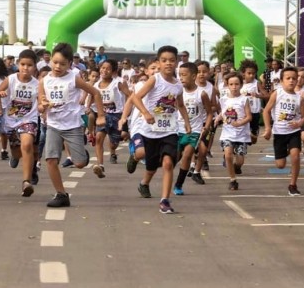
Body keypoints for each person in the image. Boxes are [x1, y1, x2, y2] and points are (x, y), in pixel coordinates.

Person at [120, 45, 190, 214]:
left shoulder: (178, 86)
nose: (168, 64)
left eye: (172, 60)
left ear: (177, 63)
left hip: (170, 131)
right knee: (151, 166)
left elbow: (180, 104)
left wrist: (187, 122)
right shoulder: (155, 79)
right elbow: (135, 97)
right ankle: (143, 181)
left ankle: (165, 200)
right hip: (150, 131)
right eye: (164, 60)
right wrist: (145, 113)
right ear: (159, 62)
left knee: (168, 163)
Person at [39, 43, 105, 208]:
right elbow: (40, 104)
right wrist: (44, 105)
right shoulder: (44, 81)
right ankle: (61, 194)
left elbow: (95, 92)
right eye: (55, 62)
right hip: (54, 125)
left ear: (70, 64)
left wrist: (101, 116)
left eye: (62, 63)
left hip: (73, 125)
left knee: (80, 164)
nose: (58, 66)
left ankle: (82, 155)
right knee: (51, 160)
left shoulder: (73, 79)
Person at [0, 49, 41, 196]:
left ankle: (26, 182)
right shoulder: (11, 79)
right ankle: (15, 157)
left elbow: (40, 102)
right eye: (23, 64)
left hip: (28, 119)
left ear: (35, 67)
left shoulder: (38, 84)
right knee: (17, 152)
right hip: (11, 120)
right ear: (18, 64)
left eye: (30, 65)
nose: (26, 68)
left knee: (27, 144)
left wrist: (43, 106)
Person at [263, 67, 304, 196]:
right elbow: (266, 111)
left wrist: (298, 123)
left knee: (295, 156)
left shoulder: (300, 98)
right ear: (282, 81)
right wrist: (268, 128)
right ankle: (285, 151)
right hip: (279, 133)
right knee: (280, 165)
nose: (292, 81)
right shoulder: (277, 93)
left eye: (294, 78)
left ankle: (293, 185)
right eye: (288, 78)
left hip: (293, 132)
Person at [173, 62, 212, 195]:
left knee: (188, 154)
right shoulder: (177, 91)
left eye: (184, 75)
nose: (181, 78)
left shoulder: (201, 94)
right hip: (177, 129)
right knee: (173, 158)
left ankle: (178, 184)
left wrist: (206, 127)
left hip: (194, 130)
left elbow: (210, 112)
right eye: (179, 75)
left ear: (193, 76)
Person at [90, 59, 130, 177]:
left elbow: (130, 95)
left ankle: (113, 151)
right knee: (99, 138)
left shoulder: (118, 83)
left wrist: (129, 112)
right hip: (102, 116)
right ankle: (100, 165)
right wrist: (87, 105)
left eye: (107, 68)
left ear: (113, 71)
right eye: (102, 68)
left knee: (114, 142)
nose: (104, 70)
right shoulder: (96, 85)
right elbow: (91, 97)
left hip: (116, 115)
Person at [218, 72, 252, 191]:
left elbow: (249, 117)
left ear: (241, 85)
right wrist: (217, 118)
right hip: (227, 133)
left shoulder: (244, 99)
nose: (234, 86)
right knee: (228, 155)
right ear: (227, 85)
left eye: (237, 84)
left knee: (240, 161)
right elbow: (222, 113)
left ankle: (236, 167)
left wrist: (239, 123)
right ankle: (232, 180)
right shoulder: (223, 99)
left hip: (241, 135)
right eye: (231, 84)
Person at [239, 60, 263, 145]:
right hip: (243, 112)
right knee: (242, 134)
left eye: (253, 73)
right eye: (249, 73)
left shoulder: (256, 83)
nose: (252, 75)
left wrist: (258, 95)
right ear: (243, 73)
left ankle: (253, 133)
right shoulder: (239, 84)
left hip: (254, 112)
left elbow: (267, 95)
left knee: (253, 141)